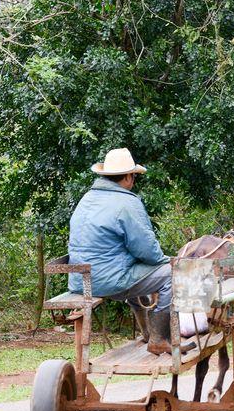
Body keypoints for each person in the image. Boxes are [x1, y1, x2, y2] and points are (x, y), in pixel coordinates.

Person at [68, 148, 176, 355]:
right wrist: (164, 261)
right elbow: (147, 250)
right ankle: (159, 338)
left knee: (138, 271)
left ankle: (146, 332)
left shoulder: (87, 198)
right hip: (109, 281)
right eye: (133, 176)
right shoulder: (127, 202)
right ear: (128, 177)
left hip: (80, 280)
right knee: (171, 274)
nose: (134, 180)